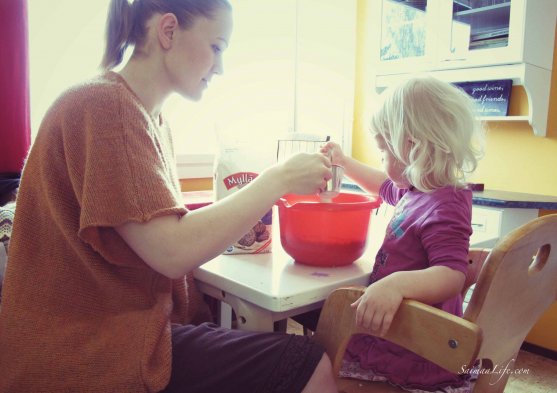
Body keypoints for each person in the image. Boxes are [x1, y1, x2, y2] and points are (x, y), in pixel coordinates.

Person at [0, 1, 337, 392]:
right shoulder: (104, 106)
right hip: (82, 347)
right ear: (169, 31)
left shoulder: (147, 117)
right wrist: (277, 179)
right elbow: (171, 252)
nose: (220, 67)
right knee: (309, 363)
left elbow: (161, 236)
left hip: (117, 328)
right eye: (217, 46)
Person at [321, 75, 484, 392]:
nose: (381, 162)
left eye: (383, 151)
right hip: (400, 331)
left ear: (411, 146)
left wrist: (395, 285)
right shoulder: (417, 190)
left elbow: (452, 273)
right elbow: (380, 185)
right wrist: (343, 161)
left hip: (414, 346)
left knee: (322, 354)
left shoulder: (444, 204)